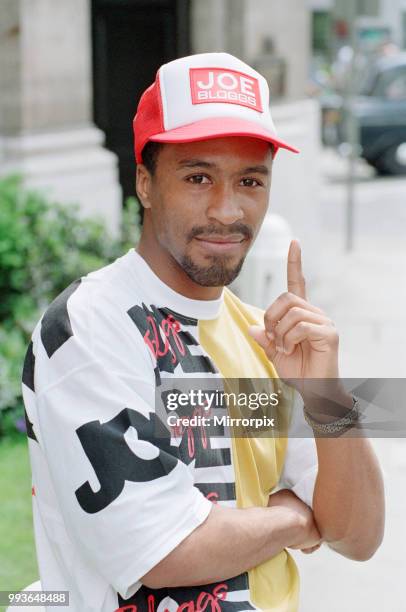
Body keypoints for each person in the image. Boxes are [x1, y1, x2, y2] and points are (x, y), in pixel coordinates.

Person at [22, 52, 384, 612]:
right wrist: (293, 517)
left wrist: (327, 396)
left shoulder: (266, 336)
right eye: (198, 177)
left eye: (250, 180)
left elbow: (357, 536)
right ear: (145, 183)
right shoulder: (90, 326)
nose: (227, 209)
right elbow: (162, 550)